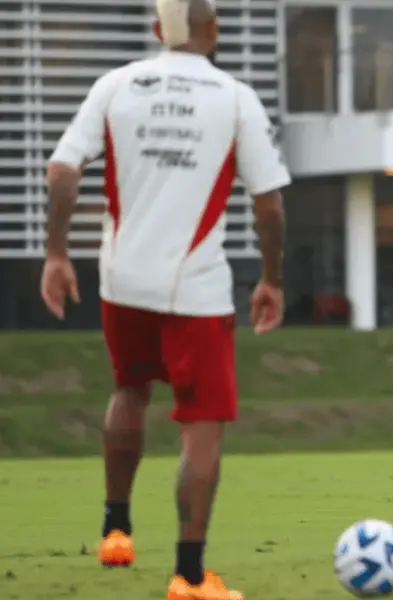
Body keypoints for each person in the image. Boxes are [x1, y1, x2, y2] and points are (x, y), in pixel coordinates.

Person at [39, 0, 290, 597]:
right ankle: (190, 573)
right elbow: (269, 203)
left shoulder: (115, 85)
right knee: (201, 425)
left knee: (129, 389)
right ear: (214, 31)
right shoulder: (234, 97)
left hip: (121, 280)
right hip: (194, 287)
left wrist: (55, 253)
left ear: (157, 32)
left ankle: (116, 531)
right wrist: (272, 278)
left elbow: (61, 171)